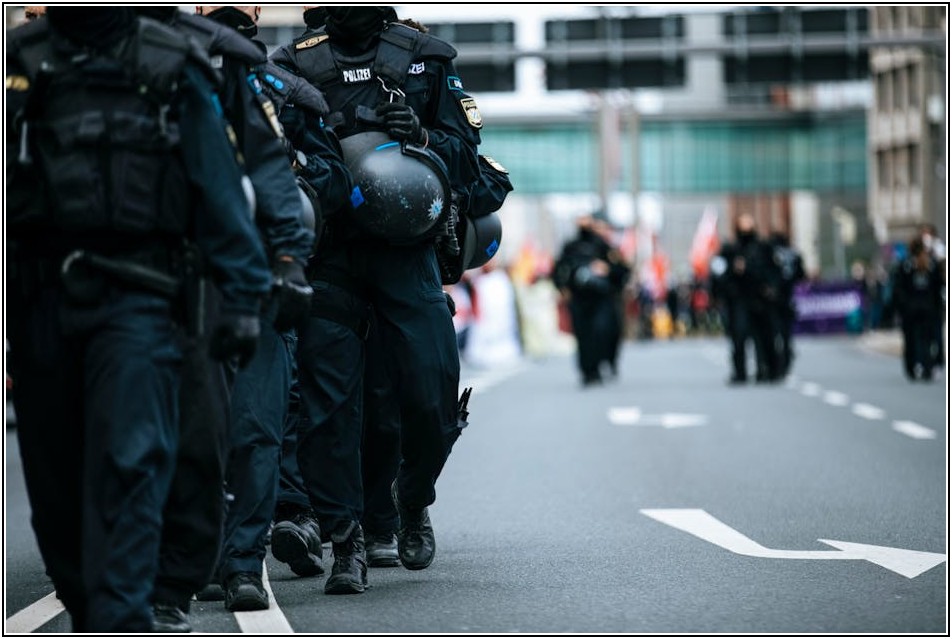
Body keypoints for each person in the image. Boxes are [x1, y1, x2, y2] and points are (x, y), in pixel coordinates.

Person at [6, 7, 271, 632]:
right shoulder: (18, 62)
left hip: (141, 301)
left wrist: (244, 297)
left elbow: (220, 188)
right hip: (41, 304)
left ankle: (124, 618)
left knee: (130, 464)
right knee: (55, 488)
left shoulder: (173, 60)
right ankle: (98, 611)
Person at [270, 5, 482, 594]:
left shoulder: (425, 58)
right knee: (327, 407)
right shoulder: (292, 65)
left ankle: (412, 502)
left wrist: (421, 135)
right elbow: (270, 155)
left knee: (430, 394)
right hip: (332, 252)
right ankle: (346, 541)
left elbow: (468, 155)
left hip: (406, 251)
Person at [194, 4, 354, 614]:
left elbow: (334, 185)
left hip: (262, 277)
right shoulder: (165, 68)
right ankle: (203, 555)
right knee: (196, 426)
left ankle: (240, 565)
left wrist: (301, 171)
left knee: (258, 428)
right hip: (181, 284)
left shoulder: (289, 92)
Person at [553, 215, 631, 386]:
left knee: (602, 331)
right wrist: (562, 288)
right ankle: (588, 371)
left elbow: (623, 271)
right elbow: (558, 270)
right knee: (583, 336)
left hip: (601, 299)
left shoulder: (605, 248)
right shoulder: (571, 247)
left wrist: (607, 269)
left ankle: (602, 364)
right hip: (578, 298)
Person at [710, 213, 778, 384]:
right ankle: (740, 372)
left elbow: (771, 273)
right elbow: (718, 274)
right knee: (738, 337)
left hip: (759, 300)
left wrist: (768, 286)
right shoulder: (730, 250)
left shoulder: (762, 248)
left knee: (763, 338)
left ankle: (766, 370)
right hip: (738, 301)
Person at [892, 236, 944, 381]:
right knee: (916, 340)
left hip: (923, 309)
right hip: (916, 309)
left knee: (923, 340)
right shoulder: (907, 266)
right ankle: (916, 367)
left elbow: (938, 286)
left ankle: (924, 367)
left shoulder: (930, 265)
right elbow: (900, 288)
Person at [768, 230, 805, 378]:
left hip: (775, 301)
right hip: (788, 299)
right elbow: (801, 275)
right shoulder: (794, 254)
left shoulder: (771, 254)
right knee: (785, 336)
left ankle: (778, 365)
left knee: (775, 335)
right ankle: (784, 362)